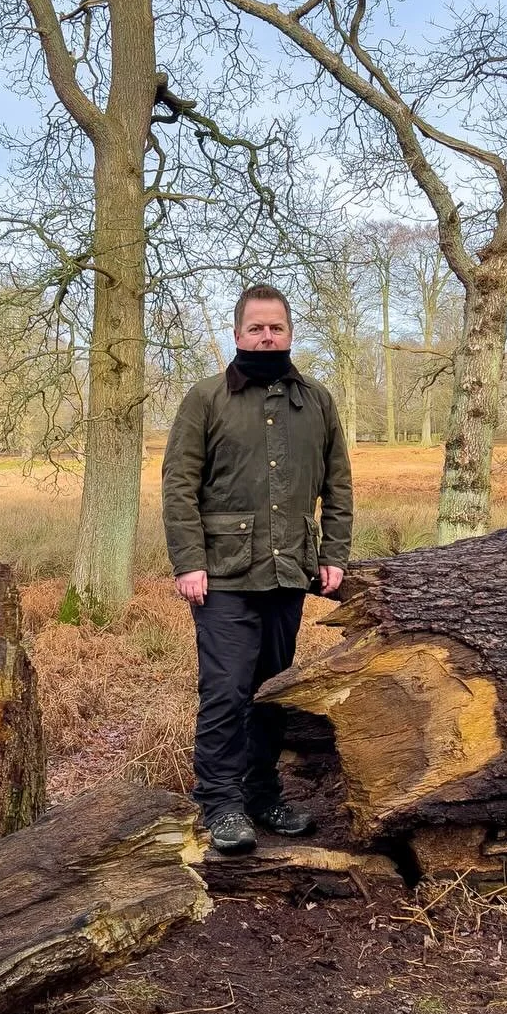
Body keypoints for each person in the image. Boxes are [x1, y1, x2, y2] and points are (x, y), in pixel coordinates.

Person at [162, 284, 353, 855]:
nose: (266, 337)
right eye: (256, 328)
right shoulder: (206, 398)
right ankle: (220, 803)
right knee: (226, 690)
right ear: (237, 333)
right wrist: (189, 562)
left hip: (288, 572)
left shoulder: (316, 401)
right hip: (220, 576)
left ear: (290, 333)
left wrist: (333, 553)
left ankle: (263, 794)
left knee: (271, 692)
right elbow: (179, 487)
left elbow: (337, 485)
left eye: (276, 328)